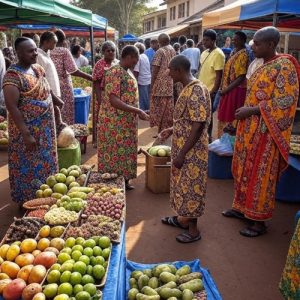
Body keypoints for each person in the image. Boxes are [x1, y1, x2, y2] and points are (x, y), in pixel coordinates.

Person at [222, 26, 300, 237]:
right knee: (242, 170)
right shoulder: (260, 65)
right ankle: (241, 209)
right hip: (248, 130)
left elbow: (286, 101)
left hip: (267, 133)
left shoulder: (284, 66)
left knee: (260, 176)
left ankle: (259, 222)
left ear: (270, 45)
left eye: (256, 43)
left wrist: (253, 110)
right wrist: (238, 122)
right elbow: (253, 97)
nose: (252, 46)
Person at [160, 55, 211, 243]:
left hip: (192, 152)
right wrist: (172, 130)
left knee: (192, 188)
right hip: (184, 148)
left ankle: (193, 230)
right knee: (182, 186)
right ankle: (183, 219)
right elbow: (188, 120)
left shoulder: (196, 90)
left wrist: (182, 153)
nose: (169, 74)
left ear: (179, 71)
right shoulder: (187, 88)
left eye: (171, 70)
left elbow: (198, 125)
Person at [3, 37, 59, 204]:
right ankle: (27, 201)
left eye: (35, 49)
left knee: (47, 163)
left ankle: (47, 197)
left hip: (46, 132)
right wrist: (26, 134)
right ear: (18, 53)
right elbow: (12, 107)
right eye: (30, 51)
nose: (35, 53)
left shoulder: (37, 69)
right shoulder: (12, 76)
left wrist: (56, 101)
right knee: (26, 166)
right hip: (26, 135)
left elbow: (46, 88)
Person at [97, 46, 149, 190]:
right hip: (114, 122)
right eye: (135, 59)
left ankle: (124, 180)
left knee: (125, 150)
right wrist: (137, 110)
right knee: (114, 151)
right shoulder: (115, 72)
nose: (136, 62)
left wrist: (137, 110)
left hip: (125, 121)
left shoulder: (127, 71)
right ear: (128, 57)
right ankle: (113, 182)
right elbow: (114, 100)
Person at [50, 29, 92, 124]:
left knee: (53, 113)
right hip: (63, 87)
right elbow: (73, 70)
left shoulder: (46, 51)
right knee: (65, 114)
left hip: (50, 86)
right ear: (63, 40)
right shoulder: (64, 51)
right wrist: (91, 78)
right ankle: (65, 135)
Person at [217, 31, 250, 136]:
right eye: (233, 39)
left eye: (236, 39)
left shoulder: (243, 54)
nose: (234, 41)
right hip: (228, 89)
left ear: (243, 41)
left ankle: (229, 143)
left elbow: (241, 77)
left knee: (231, 117)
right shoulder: (233, 51)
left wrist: (226, 90)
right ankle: (222, 140)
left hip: (236, 90)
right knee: (224, 116)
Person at [198, 29, 225, 141]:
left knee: (208, 118)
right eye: (203, 39)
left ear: (213, 41)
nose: (204, 42)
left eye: (207, 40)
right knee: (200, 115)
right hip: (201, 89)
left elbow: (219, 76)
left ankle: (207, 139)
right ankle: (199, 137)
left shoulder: (219, 54)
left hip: (210, 91)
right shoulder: (204, 52)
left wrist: (213, 91)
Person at [37, 31, 66, 133]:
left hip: (53, 93)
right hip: (47, 94)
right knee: (52, 119)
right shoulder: (38, 56)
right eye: (54, 42)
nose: (55, 44)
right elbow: (41, 79)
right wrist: (52, 95)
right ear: (45, 42)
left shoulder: (47, 54)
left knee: (55, 117)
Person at [92, 41, 118, 140]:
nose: (111, 52)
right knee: (100, 117)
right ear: (103, 52)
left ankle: (111, 137)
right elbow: (96, 83)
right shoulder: (99, 64)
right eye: (108, 51)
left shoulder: (117, 63)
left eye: (113, 50)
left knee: (112, 117)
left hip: (114, 95)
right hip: (102, 94)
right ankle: (98, 139)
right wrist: (100, 99)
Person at [150, 33, 176, 134]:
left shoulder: (160, 51)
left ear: (159, 42)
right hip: (170, 84)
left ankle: (162, 132)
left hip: (160, 86)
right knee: (167, 111)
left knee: (160, 111)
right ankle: (165, 132)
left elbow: (155, 70)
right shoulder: (172, 49)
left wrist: (152, 86)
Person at [134, 42, 151, 111]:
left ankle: (144, 113)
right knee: (146, 97)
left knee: (143, 99)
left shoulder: (139, 57)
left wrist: (134, 81)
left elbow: (136, 71)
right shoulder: (145, 56)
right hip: (148, 79)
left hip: (142, 81)